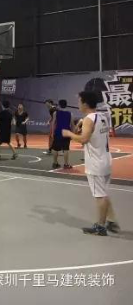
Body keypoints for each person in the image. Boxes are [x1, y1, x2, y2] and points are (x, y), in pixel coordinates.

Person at [63, 91, 120, 236]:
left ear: (85, 103)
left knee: (100, 196)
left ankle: (100, 226)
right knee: (103, 192)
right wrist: (82, 124)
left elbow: (84, 139)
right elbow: (94, 133)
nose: (78, 104)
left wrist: (69, 134)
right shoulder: (102, 116)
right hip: (106, 159)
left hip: (96, 163)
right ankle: (111, 220)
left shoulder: (89, 119)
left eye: (79, 101)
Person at [51, 99, 74, 170]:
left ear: (59, 105)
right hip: (66, 133)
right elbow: (72, 124)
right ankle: (66, 164)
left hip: (58, 132)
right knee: (66, 148)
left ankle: (55, 163)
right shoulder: (70, 114)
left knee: (55, 148)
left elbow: (53, 123)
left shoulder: (55, 113)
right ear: (66, 105)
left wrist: (52, 132)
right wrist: (72, 134)